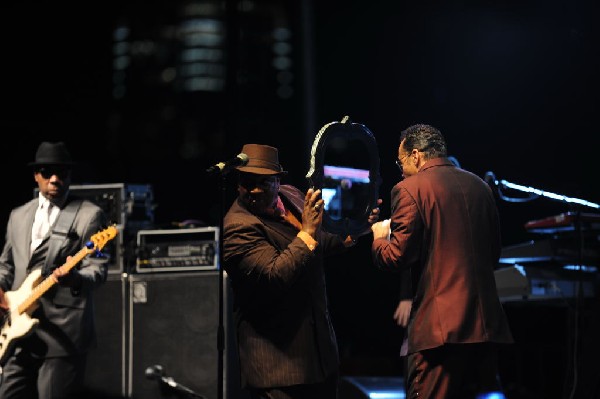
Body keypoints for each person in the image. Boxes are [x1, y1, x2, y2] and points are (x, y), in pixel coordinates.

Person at [222, 143, 380, 399]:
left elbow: (320, 241)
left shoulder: (291, 195)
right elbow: (275, 276)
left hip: (317, 357)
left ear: (277, 181)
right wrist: (306, 232)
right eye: (245, 181)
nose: (252, 190)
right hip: (279, 366)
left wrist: (356, 228)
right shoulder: (238, 227)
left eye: (262, 183)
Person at [370, 124, 514, 399]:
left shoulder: (409, 188)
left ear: (416, 155)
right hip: (485, 327)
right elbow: (494, 255)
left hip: (440, 332)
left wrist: (379, 238)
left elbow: (396, 257)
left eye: (400, 162)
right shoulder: (481, 187)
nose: (399, 169)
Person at [0, 141, 109, 398]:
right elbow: (6, 264)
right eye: (48, 172)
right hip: (18, 329)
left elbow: (98, 270)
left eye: (62, 173)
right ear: (36, 175)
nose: (55, 179)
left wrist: (73, 279)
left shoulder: (89, 216)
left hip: (64, 332)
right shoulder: (18, 215)